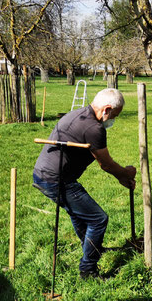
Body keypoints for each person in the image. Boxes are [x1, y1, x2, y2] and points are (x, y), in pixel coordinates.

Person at [33, 88, 136, 279]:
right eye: (115, 115)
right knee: (98, 219)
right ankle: (88, 270)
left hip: (47, 175)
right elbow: (106, 164)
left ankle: (91, 247)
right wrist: (126, 173)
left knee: (80, 215)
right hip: (56, 180)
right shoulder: (94, 129)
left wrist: (121, 177)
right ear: (106, 110)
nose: (114, 120)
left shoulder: (79, 113)